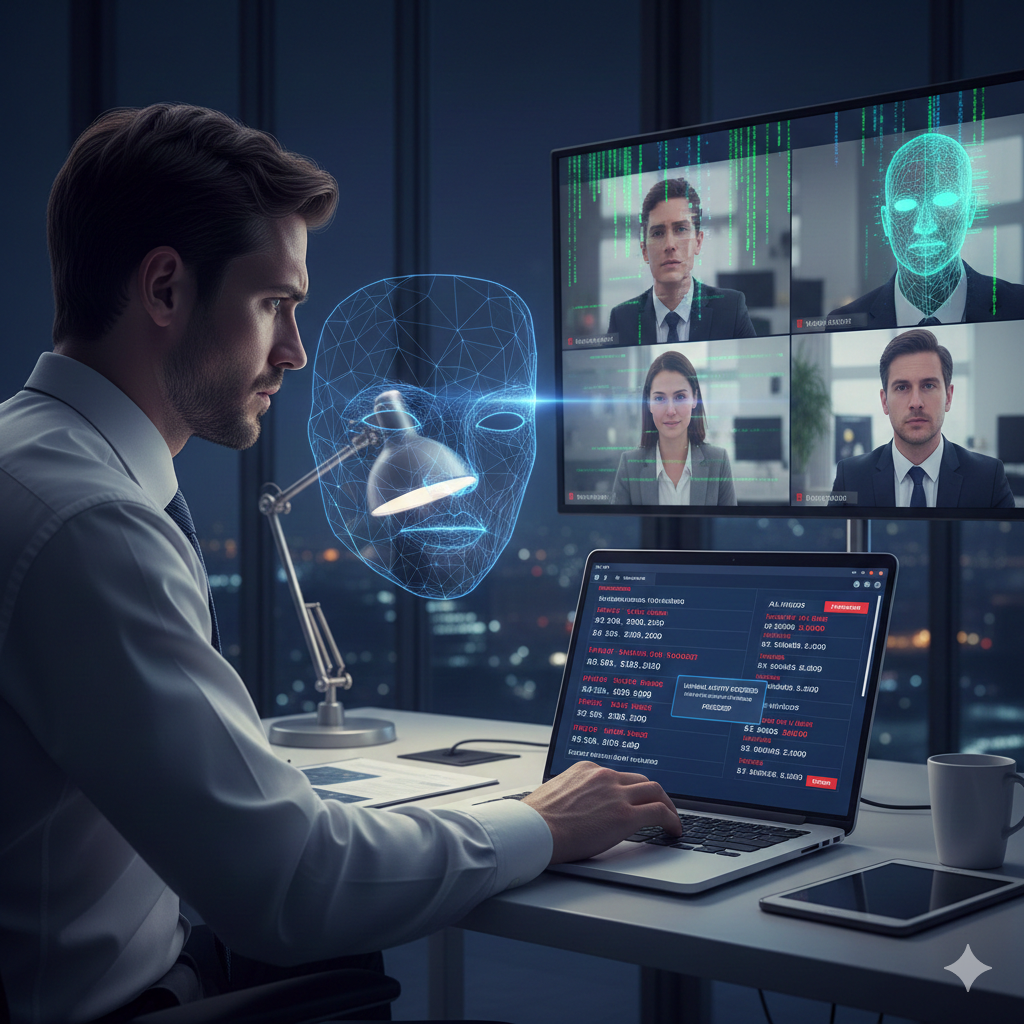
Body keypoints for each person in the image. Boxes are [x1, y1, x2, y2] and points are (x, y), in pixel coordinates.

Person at [0, 104, 683, 1024]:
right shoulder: (91, 525)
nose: (295, 350)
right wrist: (543, 824)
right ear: (164, 290)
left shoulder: (31, 461)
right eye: (274, 304)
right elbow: (290, 883)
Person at [828, 133, 1024, 327]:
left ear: (970, 210)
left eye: (944, 200)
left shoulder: (1018, 304)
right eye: (905, 205)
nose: (925, 224)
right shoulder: (845, 320)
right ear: (886, 221)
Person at [831, 328, 1013, 508]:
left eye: (928, 385)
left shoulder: (988, 478)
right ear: (884, 401)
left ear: (948, 397)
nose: (916, 402)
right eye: (902, 387)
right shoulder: (851, 477)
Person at [607, 178, 757, 344]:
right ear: (644, 251)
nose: (670, 245)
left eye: (681, 229)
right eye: (658, 233)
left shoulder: (730, 309)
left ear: (698, 242)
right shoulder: (622, 319)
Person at [611, 349, 736, 505]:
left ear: (694, 398)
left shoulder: (719, 462)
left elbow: (724, 528)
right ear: (648, 403)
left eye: (680, 397)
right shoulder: (630, 465)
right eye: (659, 398)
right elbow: (621, 528)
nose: (670, 410)